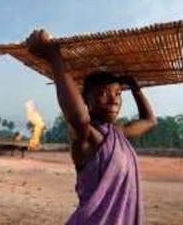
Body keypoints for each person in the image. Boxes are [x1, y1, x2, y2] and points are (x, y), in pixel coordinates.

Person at [26, 29, 157, 225]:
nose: (113, 100)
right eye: (103, 93)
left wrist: (135, 88)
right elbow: (79, 118)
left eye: (118, 93)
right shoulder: (86, 136)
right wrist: (54, 58)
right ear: (86, 99)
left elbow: (149, 120)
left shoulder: (117, 133)